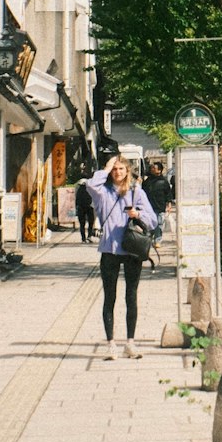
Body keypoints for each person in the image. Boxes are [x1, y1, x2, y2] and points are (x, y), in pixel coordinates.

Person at [85, 154, 158, 360]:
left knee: (131, 296)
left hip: (132, 250)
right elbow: (91, 185)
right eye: (114, 169)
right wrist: (106, 168)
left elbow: (152, 220)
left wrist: (138, 215)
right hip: (109, 250)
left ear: (128, 172)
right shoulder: (102, 193)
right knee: (110, 297)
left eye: (121, 169)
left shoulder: (136, 192)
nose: (117, 172)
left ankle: (130, 343)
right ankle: (111, 344)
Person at [142, 160, 174, 239]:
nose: (152, 169)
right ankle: (151, 237)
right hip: (149, 206)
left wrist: (169, 204)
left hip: (160, 206)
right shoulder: (147, 181)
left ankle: (158, 239)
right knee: (150, 223)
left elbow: (168, 194)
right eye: (151, 168)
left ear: (159, 170)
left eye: (154, 168)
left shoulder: (163, 181)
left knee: (159, 223)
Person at [74, 178, 95, 243]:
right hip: (90, 207)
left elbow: (76, 198)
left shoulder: (78, 187)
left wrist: (76, 206)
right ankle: (89, 236)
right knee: (91, 222)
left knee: (82, 224)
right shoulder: (91, 187)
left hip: (81, 207)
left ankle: (83, 238)